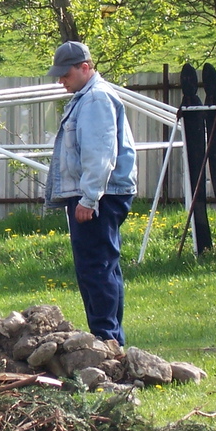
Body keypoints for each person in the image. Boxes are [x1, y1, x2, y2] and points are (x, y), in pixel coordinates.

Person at [44, 41, 137, 345]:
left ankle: (106, 339)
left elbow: (100, 153)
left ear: (85, 67)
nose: (61, 80)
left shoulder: (96, 99)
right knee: (101, 267)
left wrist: (89, 198)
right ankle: (110, 338)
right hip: (97, 194)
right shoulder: (86, 97)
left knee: (96, 268)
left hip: (100, 196)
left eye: (65, 73)